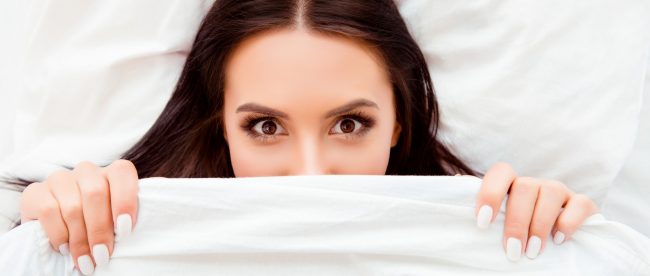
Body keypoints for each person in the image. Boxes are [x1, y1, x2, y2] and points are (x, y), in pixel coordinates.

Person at [17, 0, 597, 275]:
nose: (311, 172)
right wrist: (45, 228)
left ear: (398, 122)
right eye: (265, 127)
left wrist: (558, 232)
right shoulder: (132, 225)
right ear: (222, 127)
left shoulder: (482, 229)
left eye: (350, 124)